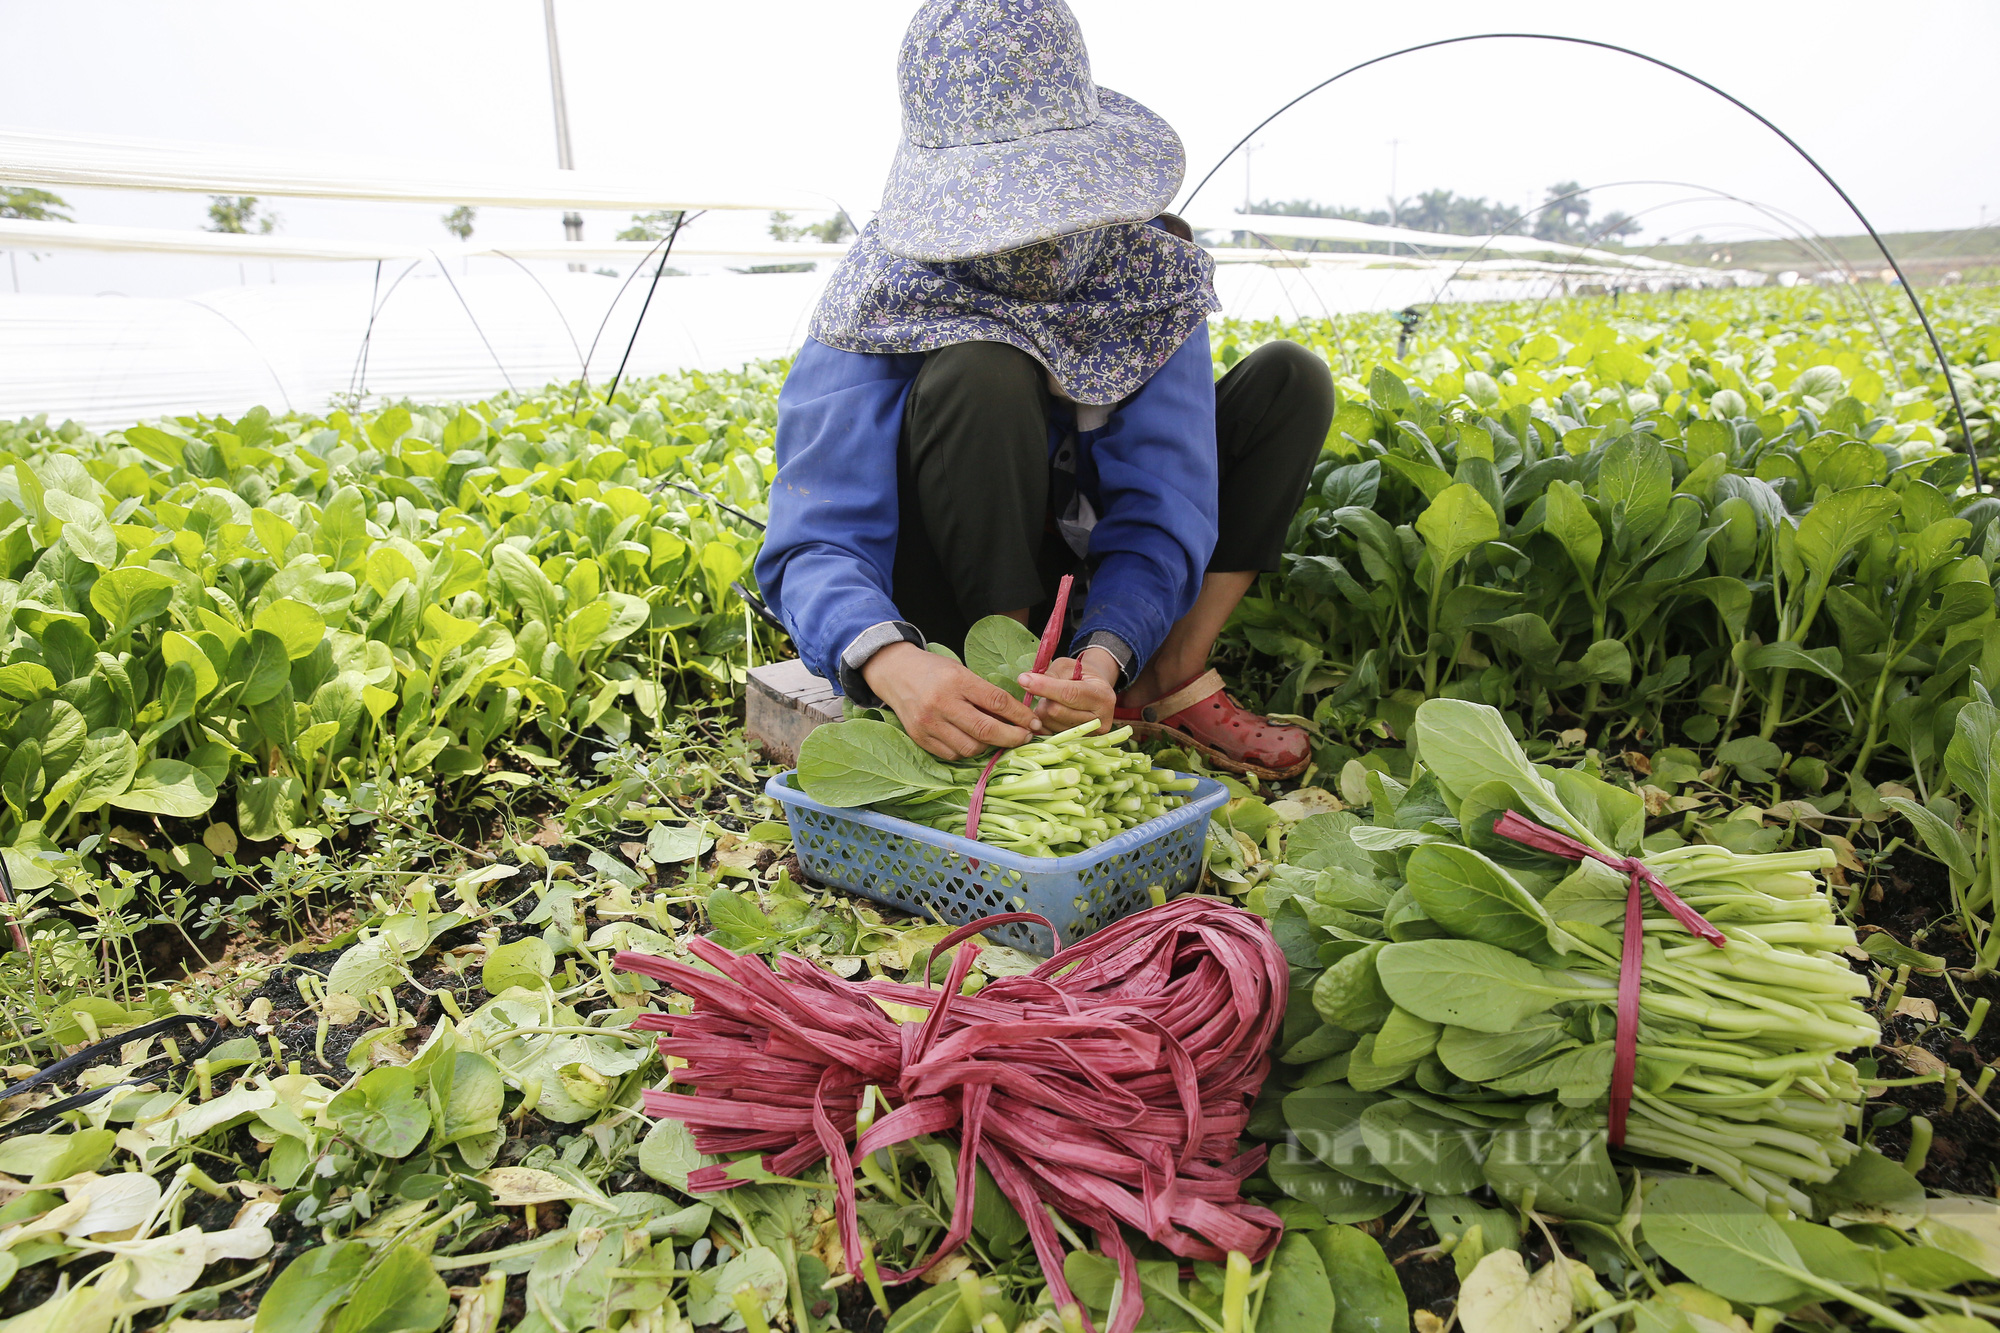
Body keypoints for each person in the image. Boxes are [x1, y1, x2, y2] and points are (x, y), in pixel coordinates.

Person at [756, 0, 1333, 778]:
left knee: (1290, 378)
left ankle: (1162, 674)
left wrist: (1106, 652)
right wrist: (893, 662)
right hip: (949, 578)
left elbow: (1166, 499)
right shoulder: (881, 291)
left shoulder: (1146, 272)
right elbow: (813, 536)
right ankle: (997, 688)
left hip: (1085, 572)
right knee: (982, 369)